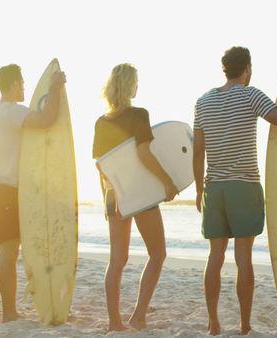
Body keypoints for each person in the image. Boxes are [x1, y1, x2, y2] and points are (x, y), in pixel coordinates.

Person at [192, 46, 277, 335]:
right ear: (246, 68)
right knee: (243, 258)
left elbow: (198, 152)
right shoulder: (250, 94)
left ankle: (213, 323)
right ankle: (244, 324)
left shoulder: (202, 102)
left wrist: (200, 190)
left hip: (214, 187)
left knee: (215, 257)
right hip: (244, 186)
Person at [0, 64, 66, 322]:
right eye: (23, 83)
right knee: (8, 253)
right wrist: (54, 88)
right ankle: (9, 313)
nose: (25, 87)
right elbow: (47, 120)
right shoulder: (14, 112)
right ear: (14, 84)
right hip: (6, 191)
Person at [92, 63, 179, 331]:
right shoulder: (139, 115)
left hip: (113, 193)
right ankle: (138, 316)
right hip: (139, 193)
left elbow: (100, 164)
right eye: (136, 82)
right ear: (130, 85)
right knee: (158, 253)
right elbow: (144, 154)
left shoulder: (101, 121)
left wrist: (111, 196)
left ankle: (114, 321)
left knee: (116, 260)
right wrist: (167, 181)